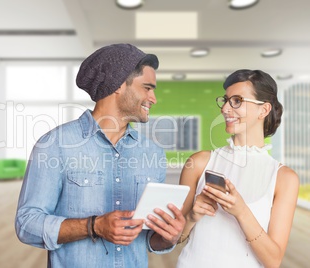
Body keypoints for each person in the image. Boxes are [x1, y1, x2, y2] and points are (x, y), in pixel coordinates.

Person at [15, 43, 186, 268]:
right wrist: (93, 226)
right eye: (147, 87)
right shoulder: (56, 145)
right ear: (117, 85)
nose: (153, 98)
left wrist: (168, 236)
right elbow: (26, 224)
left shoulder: (152, 153)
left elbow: (149, 240)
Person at [176, 69, 299, 267]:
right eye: (225, 100)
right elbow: (173, 239)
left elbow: (273, 260)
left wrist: (241, 211)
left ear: (264, 110)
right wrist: (191, 217)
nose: (225, 108)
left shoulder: (284, 178)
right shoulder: (199, 163)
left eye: (237, 101)